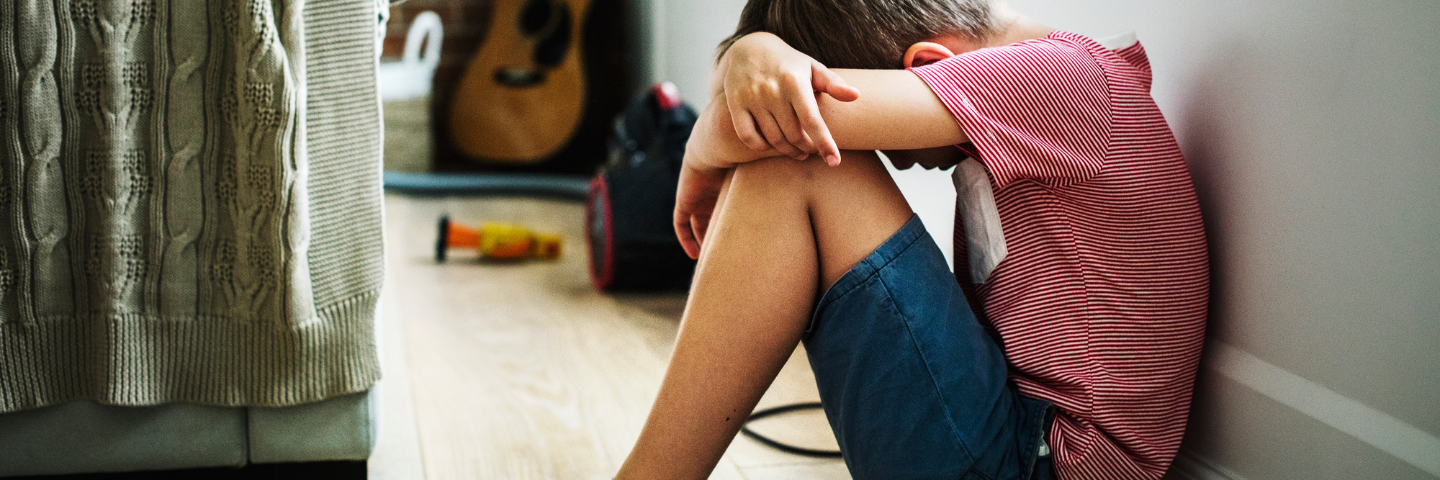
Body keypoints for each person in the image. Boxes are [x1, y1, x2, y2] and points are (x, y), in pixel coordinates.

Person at [617, 0, 1208, 479]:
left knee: (795, 158)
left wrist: (698, 149)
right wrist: (753, 51)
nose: (898, 162)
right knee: (794, 141)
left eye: (895, 145)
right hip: (1026, 440)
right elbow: (758, 99)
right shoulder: (1063, 81)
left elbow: (759, 124)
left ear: (928, 62)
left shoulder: (1060, 82)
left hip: (1048, 462)